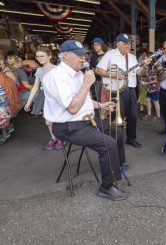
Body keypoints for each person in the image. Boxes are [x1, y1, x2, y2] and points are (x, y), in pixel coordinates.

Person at [43, 40, 127, 201]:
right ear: (65, 56)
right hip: (68, 126)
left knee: (117, 129)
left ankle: (117, 166)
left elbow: (84, 101)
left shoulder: (79, 73)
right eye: (79, 55)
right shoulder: (57, 77)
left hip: (86, 121)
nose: (83, 58)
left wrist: (101, 104)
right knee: (108, 144)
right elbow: (73, 108)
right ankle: (106, 187)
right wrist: (86, 85)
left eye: (84, 54)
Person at [96, 33, 151, 149]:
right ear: (118, 44)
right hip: (117, 92)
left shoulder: (132, 57)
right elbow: (98, 70)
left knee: (133, 116)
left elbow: (139, 73)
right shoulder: (110, 54)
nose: (128, 46)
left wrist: (145, 66)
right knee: (117, 116)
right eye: (125, 44)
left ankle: (131, 139)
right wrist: (112, 74)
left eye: (129, 44)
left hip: (131, 90)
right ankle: (116, 140)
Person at [24, 47, 60, 150]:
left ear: (49, 56)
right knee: (48, 121)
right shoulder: (39, 70)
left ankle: (60, 139)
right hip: (44, 95)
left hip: (55, 96)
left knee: (55, 121)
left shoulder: (56, 69)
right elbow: (36, 86)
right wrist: (29, 101)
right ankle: (54, 139)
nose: (39, 58)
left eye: (42, 56)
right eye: (37, 56)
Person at [90, 37, 107, 102]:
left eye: (97, 44)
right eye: (94, 45)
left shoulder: (107, 55)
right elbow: (92, 68)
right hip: (97, 81)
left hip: (107, 80)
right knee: (99, 99)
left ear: (102, 45)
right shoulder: (93, 56)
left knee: (107, 98)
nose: (95, 46)